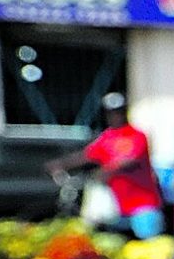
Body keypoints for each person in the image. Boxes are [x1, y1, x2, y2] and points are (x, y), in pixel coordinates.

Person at [64, 101, 168, 240]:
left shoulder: (137, 135)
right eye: (112, 112)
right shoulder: (107, 137)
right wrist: (61, 164)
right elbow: (87, 155)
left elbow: (129, 160)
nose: (116, 116)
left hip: (143, 206)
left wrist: (106, 171)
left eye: (119, 111)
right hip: (118, 209)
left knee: (152, 248)